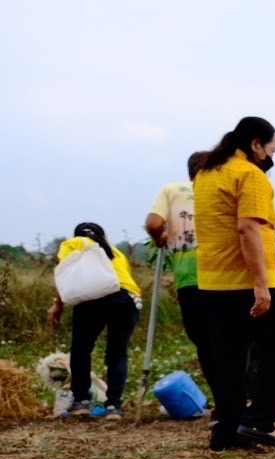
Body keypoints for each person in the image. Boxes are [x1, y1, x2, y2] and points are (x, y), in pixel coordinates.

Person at [193, 116, 275, 450]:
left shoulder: (207, 174)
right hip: (245, 283)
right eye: (270, 150)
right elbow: (248, 229)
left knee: (228, 356)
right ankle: (260, 423)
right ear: (255, 145)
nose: (271, 158)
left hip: (210, 282)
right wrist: (261, 284)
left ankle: (225, 432)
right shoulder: (249, 175)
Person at [46, 222, 142, 420]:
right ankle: (113, 406)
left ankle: (81, 401)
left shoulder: (73, 243)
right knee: (117, 352)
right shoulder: (115, 252)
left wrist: (58, 304)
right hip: (127, 299)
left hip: (94, 298)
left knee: (81, 350)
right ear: (102, 236)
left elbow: (67, 275)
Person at [144, 151, 214, 402]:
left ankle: (222, 403)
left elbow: (153, 223)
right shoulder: (223, 188)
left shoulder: (173, 190)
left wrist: (159, 238)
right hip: (229, 276)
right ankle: (238, 401)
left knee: (205, 343)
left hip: (191, 278)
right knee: (232, 341)